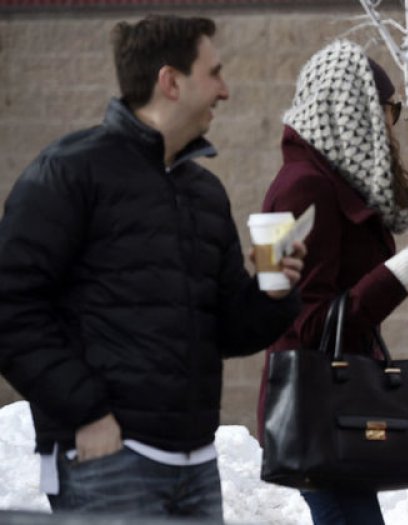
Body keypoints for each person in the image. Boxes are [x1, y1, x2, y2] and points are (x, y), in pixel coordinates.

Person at [0, 15, 305, 520]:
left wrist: (272, 294)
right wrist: (88, 412)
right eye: (214, 73)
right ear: (170, 81)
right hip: (104, 462)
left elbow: (227, 329)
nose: (225, 91)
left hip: (197, 465)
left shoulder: (205, 193)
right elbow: (10, 308)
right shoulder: (69, 171)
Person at [258, 40, 408, 525]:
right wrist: (407, 269)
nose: (393, 124)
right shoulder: (304, 188)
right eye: (390, 108)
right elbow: (306, 324)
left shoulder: (326, 182)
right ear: (357, 112)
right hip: (314, 414)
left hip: (336, 410)